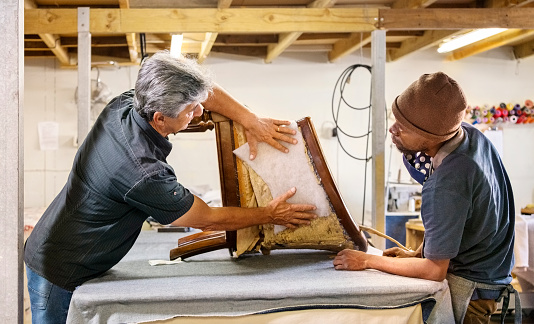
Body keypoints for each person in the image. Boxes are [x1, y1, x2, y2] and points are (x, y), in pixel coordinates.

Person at [24, 50, 317, 324]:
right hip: (59, 268)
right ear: (160, 118)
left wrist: (249, 120)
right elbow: (207, 219)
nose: (202, 112)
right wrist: (270, 214)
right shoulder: (142, 171)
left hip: (61, 240)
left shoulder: (128, 103)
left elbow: (203, 95)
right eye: (191, 110)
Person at [333, 72, 517, 324]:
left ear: (433, 137)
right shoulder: (470, 135)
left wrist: (367, 260)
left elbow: (434, 271)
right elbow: (458, 220)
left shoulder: (448, 182)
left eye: (403, 128)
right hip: (491, 270)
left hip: (473, 288)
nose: (392, 129)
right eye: (395, 119)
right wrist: (418, 253)